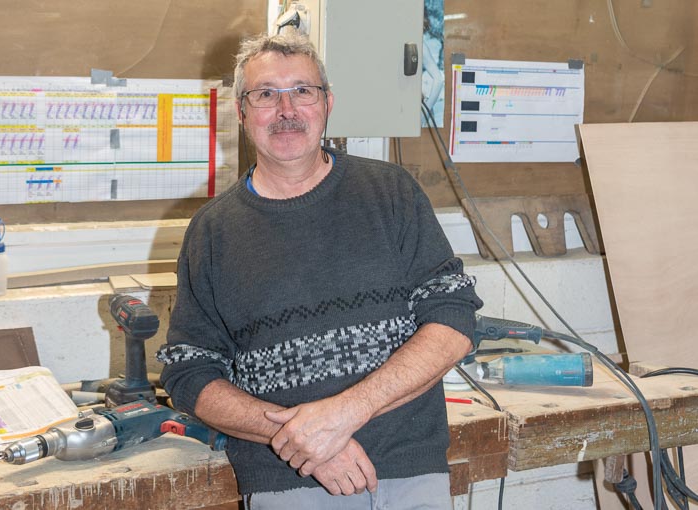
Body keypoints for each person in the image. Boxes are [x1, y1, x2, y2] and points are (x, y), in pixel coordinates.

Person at [158, 31, 483, 510]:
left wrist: (346, 413)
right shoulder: (213, 231)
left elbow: (454, 321)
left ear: (327, 103)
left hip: (409, 468)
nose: (286, 110)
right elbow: (189, 373)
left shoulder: (391, 193)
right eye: (266, 94)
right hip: (286, 479)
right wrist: (305, 441)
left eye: (302, 92)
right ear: (242, 112)